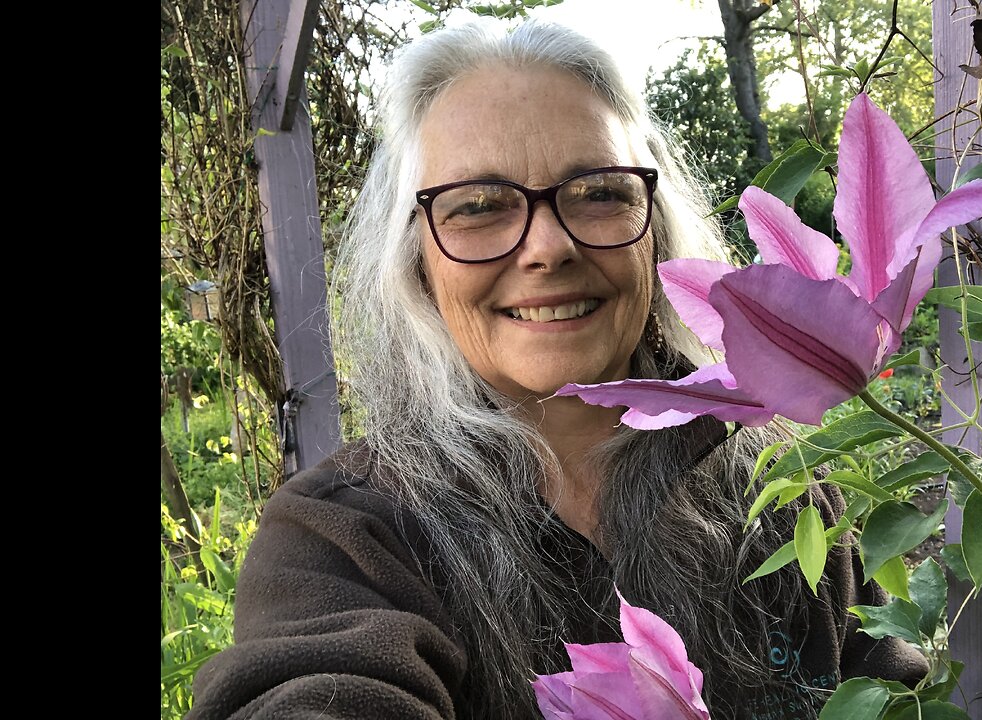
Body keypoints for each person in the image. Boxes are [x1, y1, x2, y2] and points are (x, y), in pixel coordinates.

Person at [190, 17, 926, 720]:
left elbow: (874, 679)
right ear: (416, 260)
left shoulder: (777, 488)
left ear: (656, 230)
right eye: (478, 205)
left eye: (600, 192)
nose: (547, 248)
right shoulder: (345, 543)